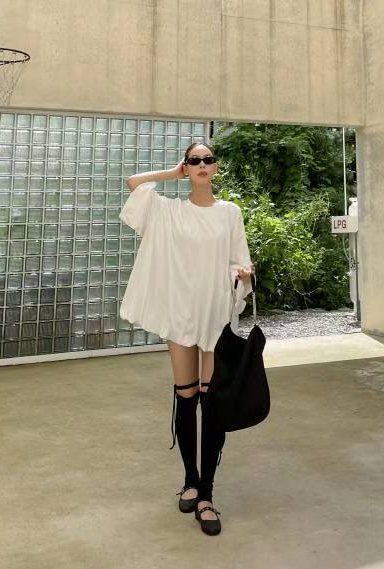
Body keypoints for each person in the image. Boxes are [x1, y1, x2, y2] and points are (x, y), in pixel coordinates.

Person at [119, 142, 255, 536]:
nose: (201, 164)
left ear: (216, 167)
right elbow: (134, 183)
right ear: (186, 166)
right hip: (180, 314)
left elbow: (239, 259)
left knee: (212, 403)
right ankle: (190, 481)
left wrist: (243, 273)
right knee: (186, 396)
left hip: (214, 313)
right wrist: (171, 173)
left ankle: (207, 494)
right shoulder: (170, 210)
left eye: (207, 159)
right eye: (194, 160)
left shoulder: (230, 212)